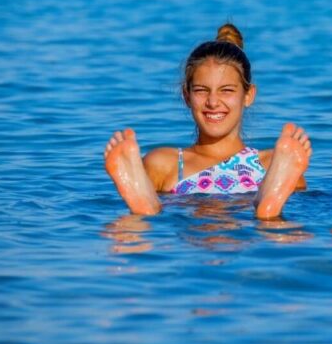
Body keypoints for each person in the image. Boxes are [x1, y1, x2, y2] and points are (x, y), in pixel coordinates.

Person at [104, 23, 311, 220]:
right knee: (137, 221)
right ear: (187, 96)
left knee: (273, 219)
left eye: (227, 90)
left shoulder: (276, 164)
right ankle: (145, 206)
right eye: (202, 90)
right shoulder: (164, 163)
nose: (213, 102)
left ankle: (268, 208)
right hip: (249, 228)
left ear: (248, 95)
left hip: (189, 229)